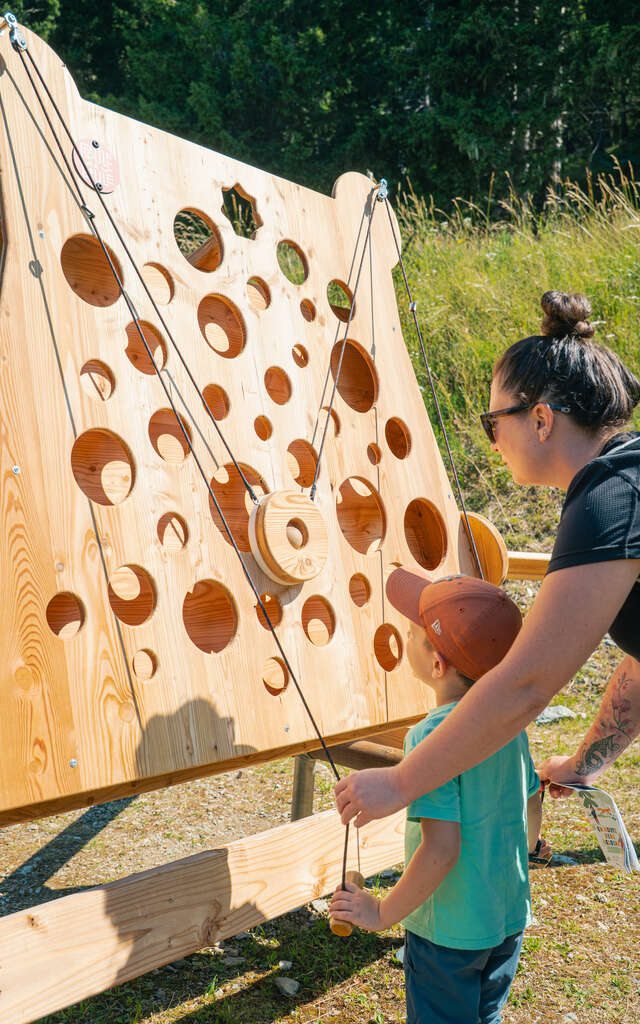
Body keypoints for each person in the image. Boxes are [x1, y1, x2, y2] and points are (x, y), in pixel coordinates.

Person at [335, 290, 640, 826]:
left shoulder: (609, 497)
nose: (493, 444)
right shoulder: (623, 480)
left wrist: (402, 781)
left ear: (541, 420)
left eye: (493, 423)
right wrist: (584, 764)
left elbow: (526, 683)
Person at [330, 570, 546, 1024]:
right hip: (506, 921)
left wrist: (383, 912)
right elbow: (532, 801)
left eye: (413, 632)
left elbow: (442, 849)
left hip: (448, 934)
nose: (406, 634)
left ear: (436, 665)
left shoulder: (429, 738)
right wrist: (528, 846)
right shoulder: (512, 722)